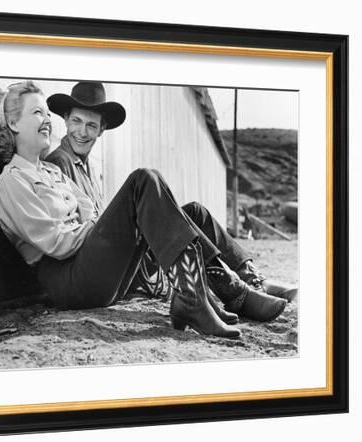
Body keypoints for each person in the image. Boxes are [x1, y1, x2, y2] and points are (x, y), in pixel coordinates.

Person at [0, 80, 289, 339]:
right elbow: (59, 243)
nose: (47, 120)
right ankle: (203, 297)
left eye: (46, 112)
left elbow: (89, 209)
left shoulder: (51, 174)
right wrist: (116, 224)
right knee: (144, 180)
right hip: (67, 282)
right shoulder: (12, 181)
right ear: (13, 123)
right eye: (37, 112)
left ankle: (223, 291)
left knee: (191, 211)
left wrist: (116, 223)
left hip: (90, 270)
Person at [45, 81, 298, 309]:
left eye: (91, 125)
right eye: (77, 121)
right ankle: (232, 288)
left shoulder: (88, 167)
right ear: (65, 119)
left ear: (101, 130)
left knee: (195, 212)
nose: (82, 132)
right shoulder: (58, 163)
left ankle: (252, 277)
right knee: (147, 185)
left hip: (114, 261)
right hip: (97, 271)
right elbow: (71, 236)